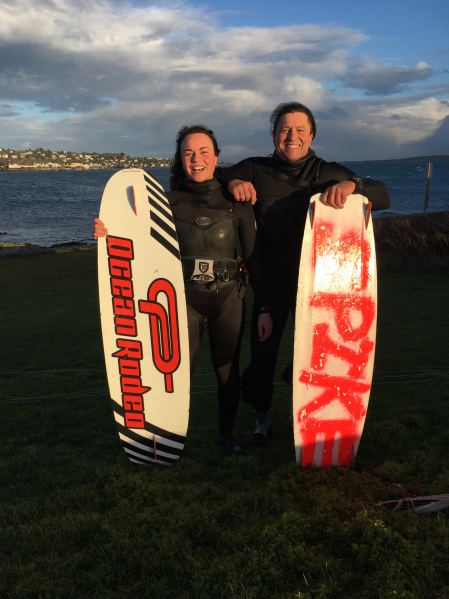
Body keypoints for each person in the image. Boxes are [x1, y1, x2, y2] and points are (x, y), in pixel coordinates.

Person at [219, 101, 391, 445]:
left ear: (311, 135)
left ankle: (315, 417)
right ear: (274, 135)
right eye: (284, 129)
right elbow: (219, 178)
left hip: (317, 287)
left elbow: (382, 193)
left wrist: (353, 187)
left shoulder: (326, 171)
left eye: (300, 130)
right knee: (262, 359)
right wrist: (235, 181)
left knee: (320, 359)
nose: (292, 136)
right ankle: (262, 423)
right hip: (270, 286)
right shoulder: (255, 168)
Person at [94, 125, 272, 455]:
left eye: (204, 151)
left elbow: (255, 258)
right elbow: (134, 241)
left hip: (229, 297)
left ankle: (226, 436)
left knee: (227, 369)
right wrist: (108, 231)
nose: (197, 158)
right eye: (188, 152)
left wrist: (264, 308)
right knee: (177, 373)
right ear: (181, 158)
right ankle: (170, 436)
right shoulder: (167, 203)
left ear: (216, 156)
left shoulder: (237, 203)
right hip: (183, 300)